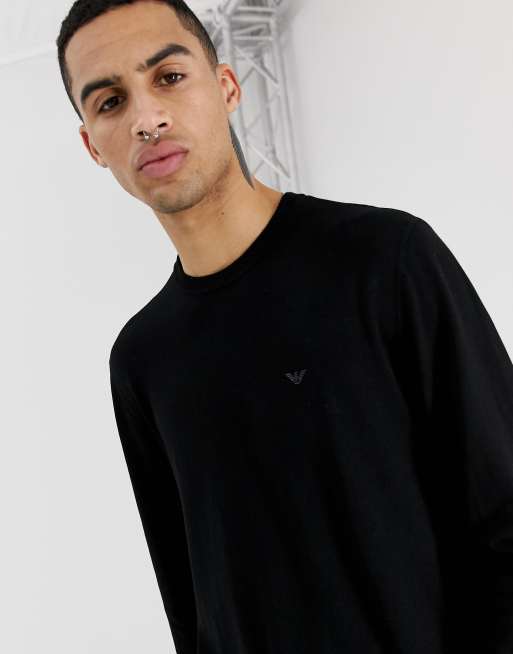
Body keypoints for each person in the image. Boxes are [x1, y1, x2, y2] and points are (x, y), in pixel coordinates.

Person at [56, 1, 513, 652]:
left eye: (169, 77)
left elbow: (502, 516)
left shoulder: (385, 260)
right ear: (92, 146)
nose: (146, 119)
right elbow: (190, 604)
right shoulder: (142, 360)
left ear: (226, 87)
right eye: (110, 102)